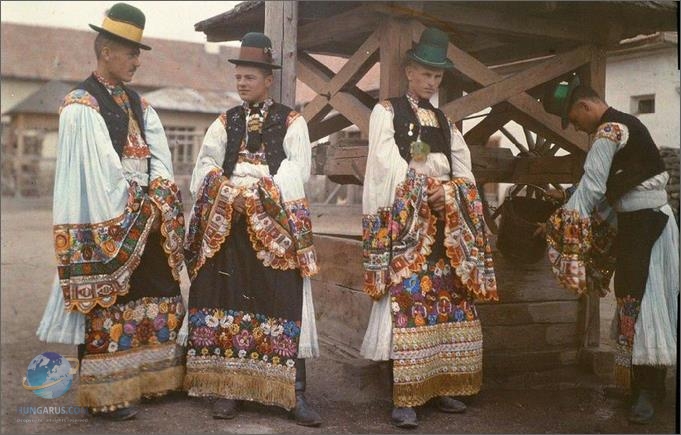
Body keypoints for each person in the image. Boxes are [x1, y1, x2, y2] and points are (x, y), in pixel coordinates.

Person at [36, 3, 187, 421]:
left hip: (146, 212)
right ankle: (109, 394)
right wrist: (138, 207)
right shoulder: (82, 104)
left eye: (138, 54)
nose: (137, 62)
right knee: (111, 298)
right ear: (106, 51)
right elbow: (100, 173)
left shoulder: (139, 104)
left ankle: (154, 381)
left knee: (158, 285)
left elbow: (160, 157)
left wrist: (158, 196)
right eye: (131, 53)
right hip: (111, 217)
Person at [180, 32, 321, 427]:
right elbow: (204, 167)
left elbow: (298, 171)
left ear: (268, 80)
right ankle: (228, 388)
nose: (242, 83)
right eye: (239, 77)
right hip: (231, 221)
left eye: (250, 77)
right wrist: (228, 195)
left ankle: (292, 392)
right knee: (227, 295)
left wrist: (259, 197)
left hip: (273, 223)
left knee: (281, 297)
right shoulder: (225, 121)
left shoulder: (292, 121)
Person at [360, 27, 498, 429]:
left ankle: (441, 386)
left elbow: (463, 170)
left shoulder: (444, 121)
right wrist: (425, 191)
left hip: (444, 228)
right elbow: (385, 166)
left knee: (446, 303)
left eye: (437, 76)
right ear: (409, 71)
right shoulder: (387, 112)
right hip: (408, 228)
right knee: (407, 302)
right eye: (425, 74)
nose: (431, 82)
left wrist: (450, 194)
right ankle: (404, 396)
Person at [541, 76, 678, 424]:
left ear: (585, 106)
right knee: (633, 299)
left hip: (646, 224)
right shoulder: (626, 125)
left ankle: (648, 390)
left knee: (643, 301)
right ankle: (639, 384)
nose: (577, 127)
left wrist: (563, 222)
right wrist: (570, 198)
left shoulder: (609, 131)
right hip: (642, 221)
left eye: (574, 119)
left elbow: (593, 185)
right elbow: (611, 184)